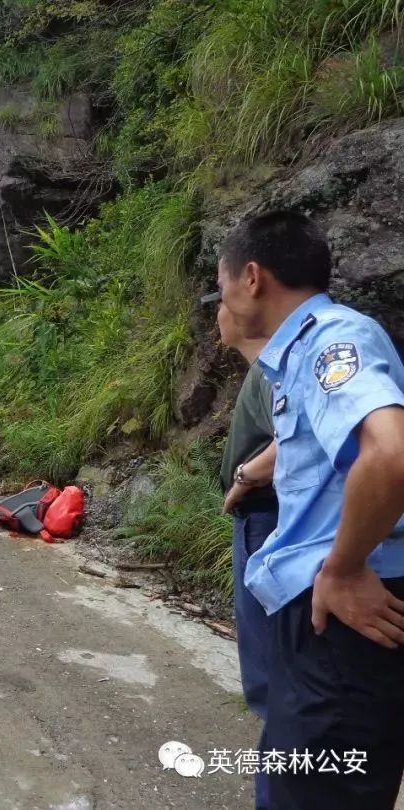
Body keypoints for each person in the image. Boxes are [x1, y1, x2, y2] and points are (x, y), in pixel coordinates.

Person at [217, 210, 404, 809]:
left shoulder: (333, 341)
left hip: (348, 609)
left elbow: (391, 455)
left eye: (219, 284)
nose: (218, 298)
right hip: (325, 611)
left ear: (251, 277)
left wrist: (343, 567)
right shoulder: (297, 352)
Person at [204, 290, 278, 810]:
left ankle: (287, 778)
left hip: (268, 519)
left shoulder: (280, 366)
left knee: (274, 673)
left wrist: (247, 476)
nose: (216, 314)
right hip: (259, 517)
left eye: (222, 300)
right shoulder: (270, 367)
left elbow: (303, 437)